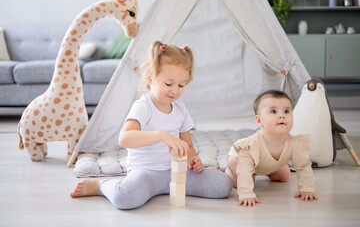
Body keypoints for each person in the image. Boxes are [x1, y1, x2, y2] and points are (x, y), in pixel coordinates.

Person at [70, 41, 233, 209]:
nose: (175, 91)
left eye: (181, 85)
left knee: (223, 185)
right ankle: (101, 185)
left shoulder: (181, 110)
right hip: (146, 173)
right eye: (169, 84)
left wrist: (193, 160)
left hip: (177, 172)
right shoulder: (143, 107)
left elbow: (188, 145)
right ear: (150, 78)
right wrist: (162, 135)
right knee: (124, 198)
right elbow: (124, 139)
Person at [225, 90, 318, 207]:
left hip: (264, 163)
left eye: (287, 111)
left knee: (284, 175)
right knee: (247, 180)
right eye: (273, 111)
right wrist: (246, 194)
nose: (282, 115)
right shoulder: (250, 146)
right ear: (259, 121)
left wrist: (306, 188)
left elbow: (303, 166)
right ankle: (228, 172)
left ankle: (269, 168)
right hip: (240, 158)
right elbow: (244, 171)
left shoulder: (294, 143)